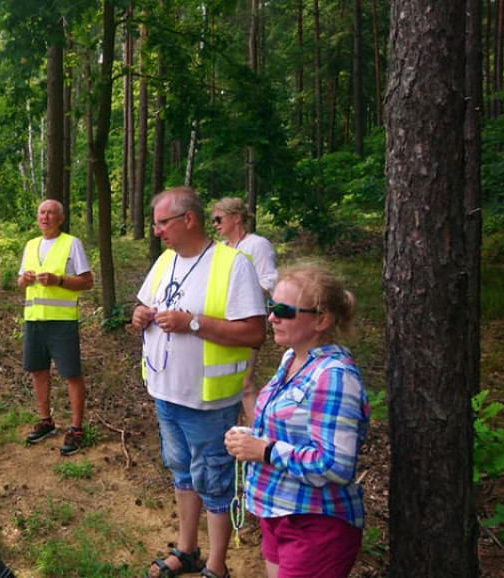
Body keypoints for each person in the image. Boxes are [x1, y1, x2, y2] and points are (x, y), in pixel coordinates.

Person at [131, 186, 266, 578]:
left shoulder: (232, 265)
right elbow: (144, 305)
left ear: (188, 219)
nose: (157, 231)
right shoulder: (164, 263)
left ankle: (217, 565)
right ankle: (188, 550)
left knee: (214, 480)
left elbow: (254, 333)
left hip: (207, 402)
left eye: (162, 223)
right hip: (165, 393)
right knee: (182, 473)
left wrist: (194, 323)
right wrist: (140, 315)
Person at [225, 264, 369, 578]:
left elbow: (337, 465)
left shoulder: (334, 377)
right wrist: (251, 438)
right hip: (278, 513)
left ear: (322, 319)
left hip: (315, 524)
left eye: (283, 310)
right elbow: (294, 431)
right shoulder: (292, 358)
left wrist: (263, 449)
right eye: (271, 306)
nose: (272, 317)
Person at [17, 199, 94, 456]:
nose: (45, 217)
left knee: (71, 374)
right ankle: (46, 421)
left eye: (51, 213)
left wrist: (59, 280)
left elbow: (87, 282)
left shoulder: (72, 243)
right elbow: (19, 282)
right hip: (34, 320)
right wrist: (24, 280)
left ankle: (76, 428)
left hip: (62, 322)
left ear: (61, 218)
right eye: (42, 212)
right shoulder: (30, 245)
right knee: (38, 371)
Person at [211, 197, 278, 425]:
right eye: (213, 221)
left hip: (247, 323)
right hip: (222, 325)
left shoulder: (257, 245)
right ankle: (235, 432)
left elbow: (270, 280)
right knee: (228, 385)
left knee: (245, 384)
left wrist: (244, 293)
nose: (215, 224)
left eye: (219, 219)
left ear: (237, 217)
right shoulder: (219, 250)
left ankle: (259, 435)